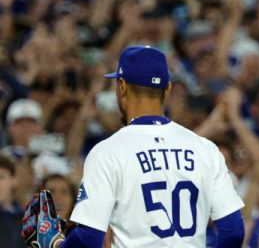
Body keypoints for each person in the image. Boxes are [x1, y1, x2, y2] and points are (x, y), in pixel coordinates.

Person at [28, 45, 246, 247]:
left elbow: (90, 238)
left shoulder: (108, 152)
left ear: (122, 86)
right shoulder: (205, 149)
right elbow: (233, 231)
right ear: (167, 89)